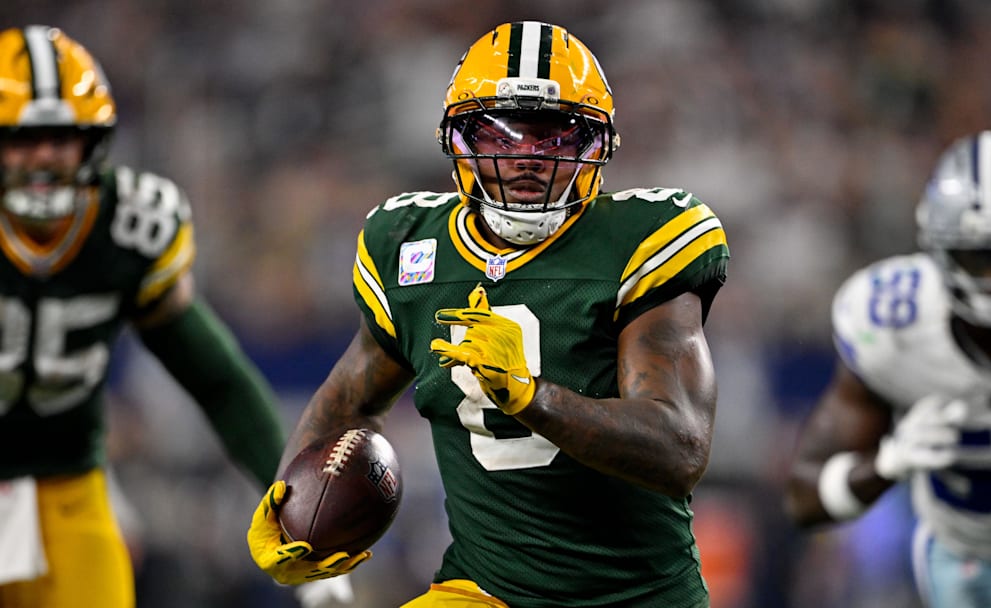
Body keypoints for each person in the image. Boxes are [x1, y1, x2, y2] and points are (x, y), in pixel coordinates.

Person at [247, 20, 731, 607]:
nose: (525, 158)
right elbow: (350, 400)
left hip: (639, 598)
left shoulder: (643, 241)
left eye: (552, 137)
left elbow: (679, 448)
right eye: (501, 134)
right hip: (485, 590)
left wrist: (530, 396)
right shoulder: (408, 246)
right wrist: (294, 512)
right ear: (458, 140)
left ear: (596, 146)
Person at [0, 25, 351, 608]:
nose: (43, 158)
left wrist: (298, 514)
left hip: (68, 488)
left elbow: (219, 382)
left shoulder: (129, 227)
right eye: (23, 139)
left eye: (60, 137)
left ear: (93, 142)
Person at [783, 130, 991, 607]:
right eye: (980, 257)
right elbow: (804, 498)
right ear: (941, 251)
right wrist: (887, 463)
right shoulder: (893, 323)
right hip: (963, 556)